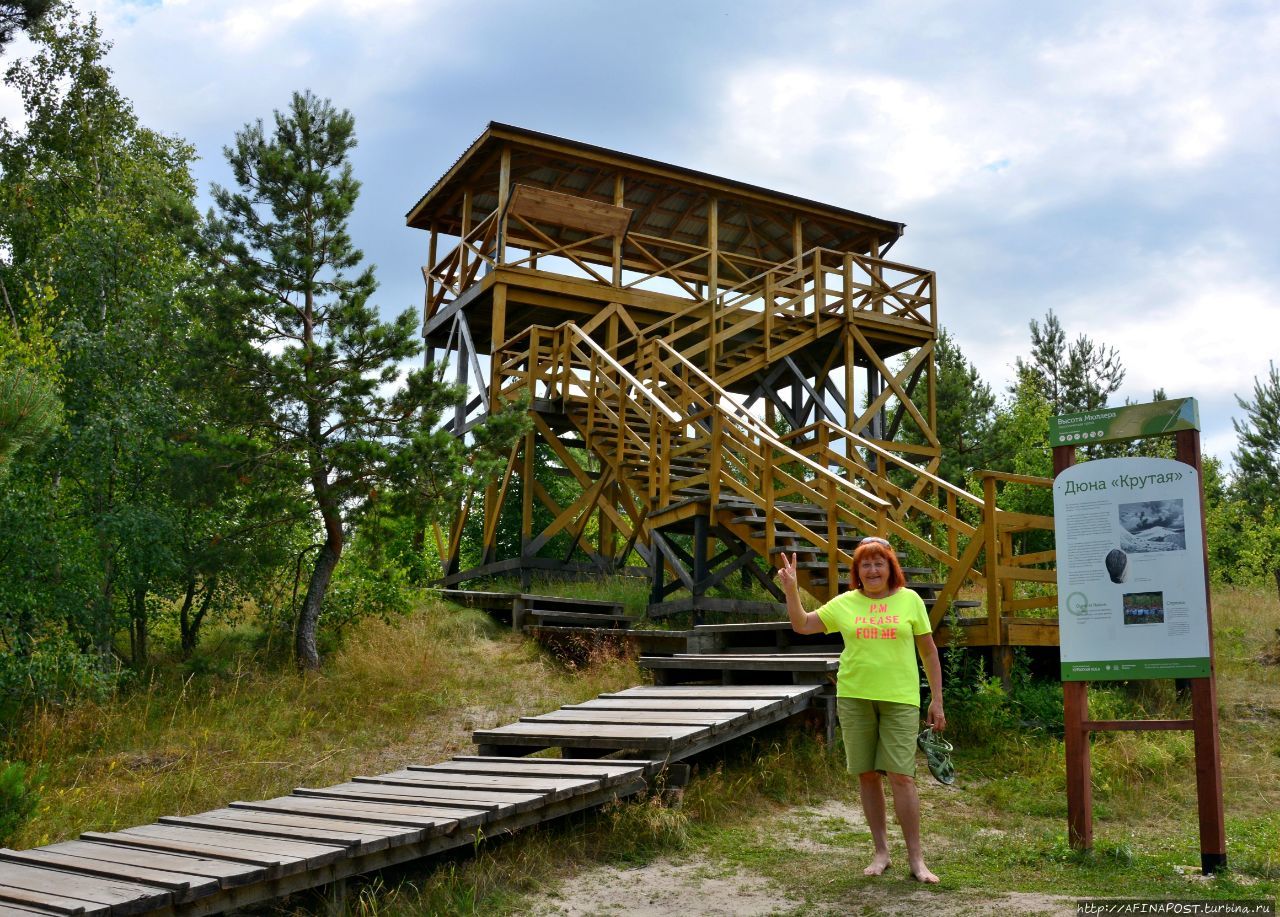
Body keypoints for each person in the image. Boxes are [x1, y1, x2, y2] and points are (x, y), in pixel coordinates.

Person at [778, 536, 946, 883]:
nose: (872, 569)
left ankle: (917, 859)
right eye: (865, 564)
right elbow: (803, 624)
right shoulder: (846, 603)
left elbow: (929, 652)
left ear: (890, 568)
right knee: (867, 775)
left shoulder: (910, 600)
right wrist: (792, 589)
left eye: (878, 563)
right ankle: (881, 852)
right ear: (857, 571)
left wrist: (937, 699)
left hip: (901, 698)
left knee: (901, 776)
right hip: (854, 697)